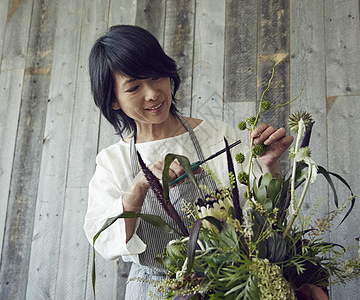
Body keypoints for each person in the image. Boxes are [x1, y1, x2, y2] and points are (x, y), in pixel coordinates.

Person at [83, 24, 294, 299]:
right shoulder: (113, 161)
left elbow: (265, 218)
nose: (152, 94)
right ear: (114, 102)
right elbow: (103, 239)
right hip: (156, 290)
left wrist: (269, 166)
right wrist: (138, 188)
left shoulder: (218, 135)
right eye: (134, 87)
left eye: (157, 77)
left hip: (231, 283)